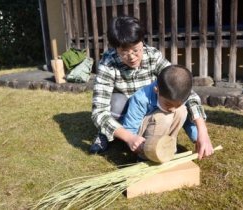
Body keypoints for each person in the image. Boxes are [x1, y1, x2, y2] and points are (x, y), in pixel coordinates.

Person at [90, 15, 213, 159]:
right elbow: (99, 112)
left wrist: (202, 132)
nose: (132, 57)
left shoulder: (153, 56)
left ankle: (158, 141)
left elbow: (181, 90)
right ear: (115, 48)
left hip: (151, 106)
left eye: (136, 50)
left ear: (142, 41)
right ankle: (108, 133)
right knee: (116, 103)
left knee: (177, 105)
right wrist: (129, 137)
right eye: (124, 52)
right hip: (126, 112)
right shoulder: (108, 64)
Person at [122, 65, 198, 159]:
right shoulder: (141, 99)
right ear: (156, 90)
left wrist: (197, 138)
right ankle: (149, 155)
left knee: (182, 111)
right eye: (168, 104)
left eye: (177, 105)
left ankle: (168, 149)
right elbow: (129, 129)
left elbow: (188, 121)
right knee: (163, 117)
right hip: (141, 141)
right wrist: (135, 144)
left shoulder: (178, 97)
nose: (172, 110)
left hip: (161, 135)